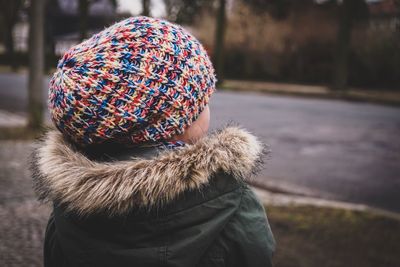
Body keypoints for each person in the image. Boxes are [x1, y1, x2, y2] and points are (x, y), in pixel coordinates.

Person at [31, 16, 275, 267]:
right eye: (202, 102)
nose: (208, 108)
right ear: (174, 121)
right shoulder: (232, 204)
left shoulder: (66, 212)